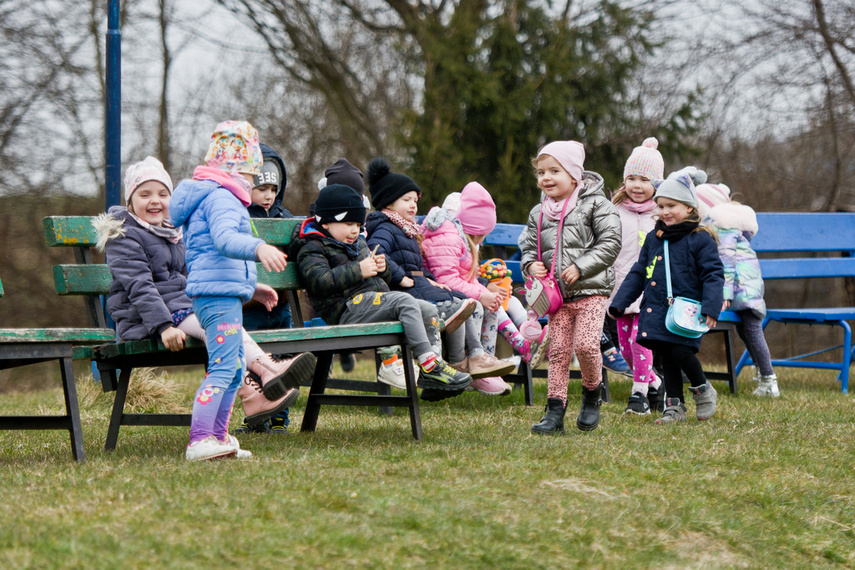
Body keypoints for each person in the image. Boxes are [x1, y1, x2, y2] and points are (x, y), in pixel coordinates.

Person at [169, 121, 316, 460]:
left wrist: (253, 286)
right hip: (216, 299)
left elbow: (213, 255)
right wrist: (259, 247)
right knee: (223, 368)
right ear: (236, 170)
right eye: (252, 175)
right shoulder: (222, 198)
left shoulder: (217, 196)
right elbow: (224, 240)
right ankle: (200, 439)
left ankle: (219, 438)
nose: (253, 183)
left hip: (222, 294)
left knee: (235, 369)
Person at [291, 183, 473, 401]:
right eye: (348, 223)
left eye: (358, 225)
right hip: (345, 310)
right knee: (403, 301)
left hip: (370, 302)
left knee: (427, 308)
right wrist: (359, 270)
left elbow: (376, 281)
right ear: (327, 221)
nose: (354, 231)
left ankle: (431, 368)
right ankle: (427, 364)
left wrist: (382, 268)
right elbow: (319, 281)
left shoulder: (356, 243)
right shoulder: (313, 246)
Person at [521, 141, 621, 434]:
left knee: (587, 345)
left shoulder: (596, 204)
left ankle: (592, 393)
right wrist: (530, 265)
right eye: (541, 172)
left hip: (591, 290)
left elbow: (611, 242)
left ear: (575, 174)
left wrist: (581, 266)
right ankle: (554, 412)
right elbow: (528, 245)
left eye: (555, 170)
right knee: (559, 351)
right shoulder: (538, 212)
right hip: (557, 296)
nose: (546, 178)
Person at [610, 167, 725, 424]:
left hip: (687, 310)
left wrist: (711, 307)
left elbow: (713, 275)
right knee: (667, 356)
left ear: (690, 208)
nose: (664, 212)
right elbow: (639, 272)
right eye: (660, 206)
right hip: (658, 308)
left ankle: (703, 389)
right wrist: (621, 301)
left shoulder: (700, 239)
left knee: (682, 352)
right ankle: (674, 407)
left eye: (671, 205)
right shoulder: (654, 238)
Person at [364, 157, 478, 391]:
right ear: (388, 203)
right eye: (406, 200)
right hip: (401, 289)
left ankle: (448, 356)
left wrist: (430, 279)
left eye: (415, 200)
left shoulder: (407, 230)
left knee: (455, 296)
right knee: (447, 302)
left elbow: (416, 262)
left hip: (416, 282)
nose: (414, 205)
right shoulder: (385, 227)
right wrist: (398, 276)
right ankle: (446, 323)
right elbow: (375, 253)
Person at [422, 182, 541, 397]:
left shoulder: (462, 240)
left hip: (452, 292)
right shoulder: (449, 237)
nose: (483, 240)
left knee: (489, 304)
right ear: (473, 230)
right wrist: (481, 294)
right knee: (475, 305)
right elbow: (447, 279)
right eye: (482, 235)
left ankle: (486, 364)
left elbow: (466, 278)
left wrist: (487, 294)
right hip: (437, 294)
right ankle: (477, 365)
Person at [236, 143, 297, 435]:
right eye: (261, 189)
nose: (268, 195)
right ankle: (258, 416)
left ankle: (279, 417)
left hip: (281, 305)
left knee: (280, 360)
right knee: (255, 362)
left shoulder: (284, 218)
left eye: (273, 189)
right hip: (250, 307)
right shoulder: (238, 219)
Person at [697, 182, 779, 397]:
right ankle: (766, 377)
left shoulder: (721, 226)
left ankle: (769, 380)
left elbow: (725, 261)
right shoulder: (731, 224)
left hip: (740, 285)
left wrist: (724, 294)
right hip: (746, 284)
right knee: (748, 330)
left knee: (751, 329)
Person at [609, 137, 667, 415]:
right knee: (624, 347)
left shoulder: (661, 214)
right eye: (631, 178)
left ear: (656, 184)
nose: (636, 185)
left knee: (639, 339)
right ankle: (655, 381)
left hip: (650, 290)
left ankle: (639, 393)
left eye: (644, 179)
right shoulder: (614, 211)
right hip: (621, 287)